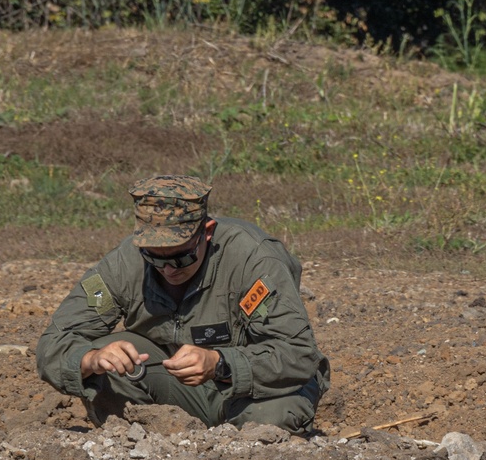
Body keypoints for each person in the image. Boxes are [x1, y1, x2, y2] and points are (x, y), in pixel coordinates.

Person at [36, 174, 330, 434]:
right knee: (112, 358)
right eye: (155, 258)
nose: (169, 269)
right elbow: (53, 344)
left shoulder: (254, 259)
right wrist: (90, 359)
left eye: (182, 257)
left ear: (208, 232)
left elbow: (299, 354)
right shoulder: (124, 264)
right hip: (175, 391)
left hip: (254, 391)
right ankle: (152, 449)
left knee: (270, 421)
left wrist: (220, 364)